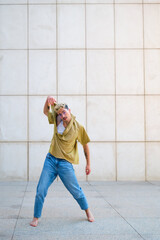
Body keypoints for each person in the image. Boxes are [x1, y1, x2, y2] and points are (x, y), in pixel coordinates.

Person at [30, 96, 94, 227]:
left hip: (65, 164)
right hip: (51, 160)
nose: (62, 116)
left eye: (64, 112)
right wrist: (47, 102)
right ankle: (36, 217)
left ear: (69, 110)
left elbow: (85, 145)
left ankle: (87, 211)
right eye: (60, 114)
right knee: (41, 189)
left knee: (76, 190)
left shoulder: (78, 128)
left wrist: (88, 163)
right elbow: (46, 112)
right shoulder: (57, 119)